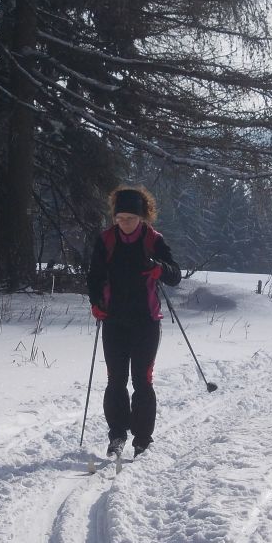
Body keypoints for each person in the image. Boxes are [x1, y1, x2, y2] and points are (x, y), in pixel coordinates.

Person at [86, 185, 181, 458]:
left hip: (146, 322)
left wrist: (159, 268)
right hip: (114, 320)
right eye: (119, 218)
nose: (124, 223)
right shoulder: (105, 240)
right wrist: (95, 303)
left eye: (129, 218)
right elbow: (94, 276)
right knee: (115, 380)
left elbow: (175, 275)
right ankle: (117, 434)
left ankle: (142, 439)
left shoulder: (154, 240)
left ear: (142, 218)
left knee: (142, 380)